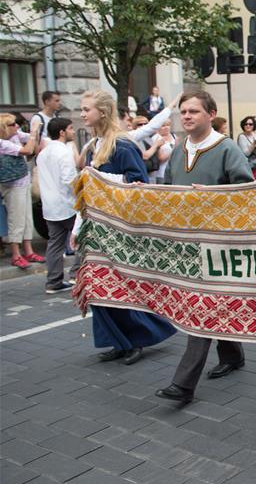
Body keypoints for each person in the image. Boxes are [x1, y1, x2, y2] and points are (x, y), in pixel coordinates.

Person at [155, 91, 254, 404]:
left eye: (193, 111)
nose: (186, 116)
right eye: (183, 111)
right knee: (211, 302)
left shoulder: (226, 148)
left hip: (219, 242)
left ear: (211, 114)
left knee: (202, 308)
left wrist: (212, 197)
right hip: (187, 241)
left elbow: (245, 191)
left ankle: (184, 384)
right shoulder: (178, 149)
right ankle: (232, 354)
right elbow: (170, 188)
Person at [80, 90, 177, 365]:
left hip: (119, 229)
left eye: (87, 109)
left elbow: (138, 184)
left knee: (123, 287)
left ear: (102, 112)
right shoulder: (95, 145)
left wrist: (105, 182)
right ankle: (117, 340)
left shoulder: (121, 146)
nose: (82, 113)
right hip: (97, 227)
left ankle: (137, 338)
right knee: (98, 288)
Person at [37, 118, 78, 293]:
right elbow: (70, 180)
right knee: (84, 239)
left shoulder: (43, 153)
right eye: (70, 128)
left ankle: (53, 281)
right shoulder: (64, 152)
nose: (74, 131)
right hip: (67, 204)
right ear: (62, 132)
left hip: (50, 205)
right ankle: (76, 274)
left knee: (55, 244)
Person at [0, 113, 42, 268]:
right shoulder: (2, 143)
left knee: (26, 218)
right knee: (16, 219)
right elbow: (27, 149)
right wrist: (33, 132)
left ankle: (28, 251)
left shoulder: (15, 135)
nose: (16, 126)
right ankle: (16, 254)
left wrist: (35, 132)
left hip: (23, 181)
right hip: (12, 185)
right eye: (12, 124)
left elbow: (33, 140)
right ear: (4, 127)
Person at [149, 119, 176, 184]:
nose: (166, 127)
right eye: (163, 126)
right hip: (161, 173)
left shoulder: (174, 136)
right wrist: (174, 150)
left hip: (173, 172)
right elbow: (160, 158)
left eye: (168, 125)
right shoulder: (156, 138)